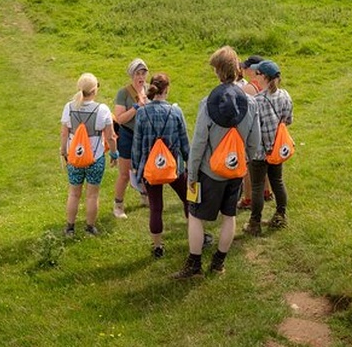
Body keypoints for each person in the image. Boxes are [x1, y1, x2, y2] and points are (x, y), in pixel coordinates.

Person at [173, 46, 261, 278]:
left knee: (195, 215)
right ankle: (218, 263)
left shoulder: (208, 103)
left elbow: (199, 143)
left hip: (209, 172)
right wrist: (243, 162)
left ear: (218, 71)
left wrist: (192, 174)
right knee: (229, 216)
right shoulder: (251, 103)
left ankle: (194, 266)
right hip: (235, 171)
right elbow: (255, 141)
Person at [131, 73, 191, 259]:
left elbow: (137, 143)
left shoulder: (142, 113)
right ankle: (195, 236)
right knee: (189, 200)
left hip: (150, 168)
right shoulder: (175, 112)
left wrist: (136, 168)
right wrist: (190, 163)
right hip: (174, 167)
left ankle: (157, 246)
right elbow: (184, 142)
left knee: (155, 207)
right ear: (167, 89)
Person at [60, 73, 118, 237]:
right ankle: (90, 228)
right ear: (94, 90)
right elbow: (110, 137)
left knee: (74, 193)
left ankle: (70, 228)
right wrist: (114, 153)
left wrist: (64, 151)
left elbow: (64, 133)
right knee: (92, 195)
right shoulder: (102, 110)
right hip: (95, 159)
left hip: (74, 158)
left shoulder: (69, 107)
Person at [243, 60, 293, 237]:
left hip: (259, 151)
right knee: (277, 181)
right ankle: (280, 216)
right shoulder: (285, 95)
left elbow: (250, 129)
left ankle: (254, 223)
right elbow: (288, 120)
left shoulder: (255, 101)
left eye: (257, 74)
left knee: (257, 186)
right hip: (277, 149)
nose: (255, 77)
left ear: (264, 77)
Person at [112, 58, 150, 218]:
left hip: (144, 136)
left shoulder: (148, 89)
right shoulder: (124, 93)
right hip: (127, 135)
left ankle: (145, 196)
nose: (141, 77)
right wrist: (136, 107)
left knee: (146, 170)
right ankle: (118, 205)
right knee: (125, 174)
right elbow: (120, 119)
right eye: (137, 74)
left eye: (143, 73)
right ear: (131, 75)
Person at [237, 55, 272, 209]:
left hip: (254, 130)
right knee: (266, 162)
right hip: (268, 129)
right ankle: (267, 191)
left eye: (245, 67)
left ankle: (248, 198)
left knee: (248, 166)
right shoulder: (268, 84)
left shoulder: (248, 89)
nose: (243, 70)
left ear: (253, 70)